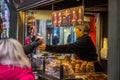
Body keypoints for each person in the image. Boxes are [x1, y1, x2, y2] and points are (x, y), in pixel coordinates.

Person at [39, 24, 104, 72]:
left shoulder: (84, 40)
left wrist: (48, 47)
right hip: (88, 67)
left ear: (81, 31)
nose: (74, 31)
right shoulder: (83, 39)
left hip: (93, 69)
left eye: (76, 29)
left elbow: (67, 48)